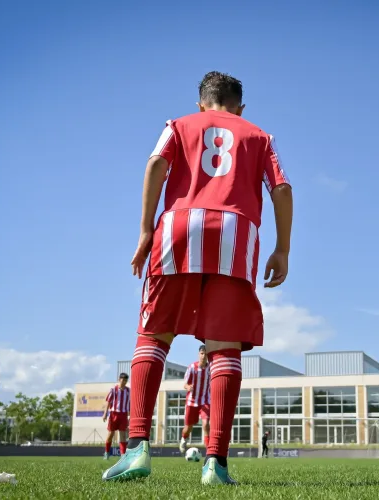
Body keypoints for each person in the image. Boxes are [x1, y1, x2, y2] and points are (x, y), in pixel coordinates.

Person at [102, 71, 293, 485]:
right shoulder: (259, 135)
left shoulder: (178, 125)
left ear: (200, 103)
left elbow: (156, 164)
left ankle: (137, 448)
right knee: (225, 347)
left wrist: (145, 230)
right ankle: (216, 463)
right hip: (236, 232)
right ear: (240, 107)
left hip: (178, 228)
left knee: (154, 335)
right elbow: (281, 189)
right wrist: (283, 249)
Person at [180, 345, 211, 453]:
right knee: (188, 427)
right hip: (192, 401)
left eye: (206, 354)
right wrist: (188, 387)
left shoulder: (210, 368)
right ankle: (184, 438)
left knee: (206, 424)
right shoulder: (192, 367)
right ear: (199, 354)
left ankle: (209, 450)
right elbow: (185, 384)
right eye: (202, 353)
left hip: (205, 400)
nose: (203, 356)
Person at [102, 373, 130, 460]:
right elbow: (108, 402)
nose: (124, 382)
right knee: (111, 434)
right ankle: (107, 453)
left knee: (123, 435)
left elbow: (130, 403)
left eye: (125, 380)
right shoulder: (113, 390)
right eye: (122, 380)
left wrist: (130, 416)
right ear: (119, 380)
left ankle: (123, 456)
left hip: (123, 414)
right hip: (114, 414)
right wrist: (105, 413)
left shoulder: (129, 391)